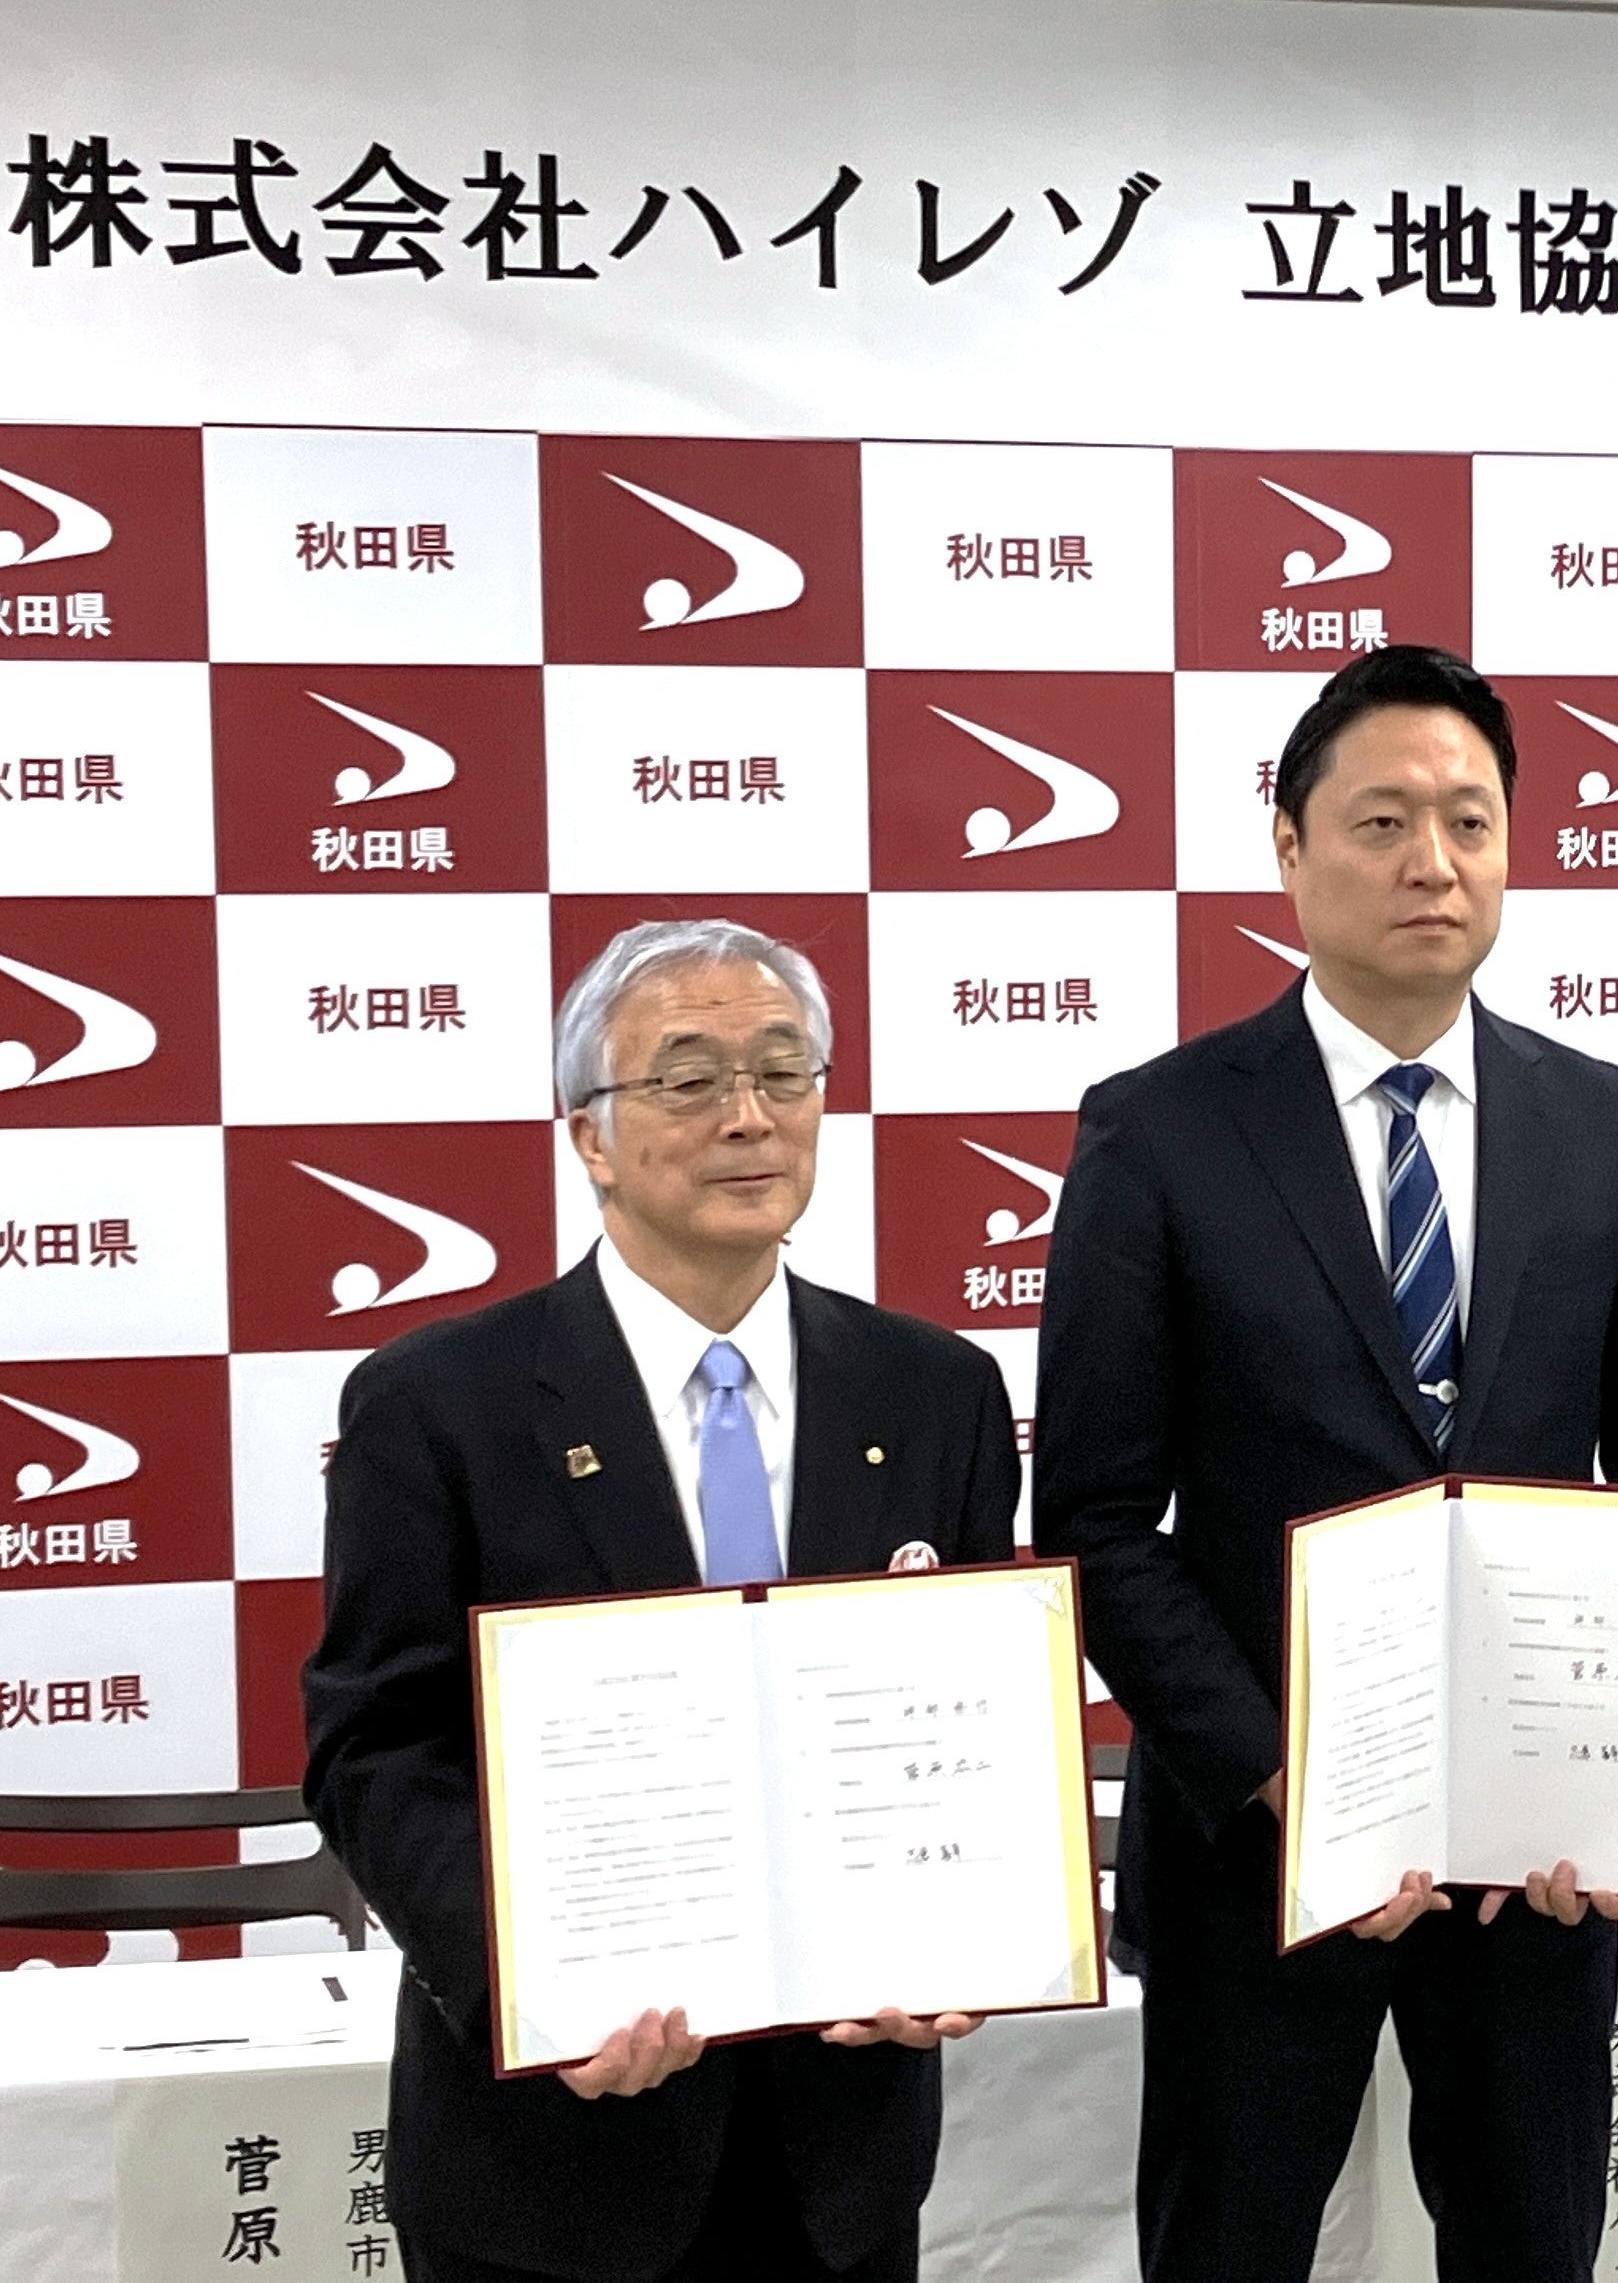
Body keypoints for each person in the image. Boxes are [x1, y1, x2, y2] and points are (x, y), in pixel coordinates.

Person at [1036, 643, 1618, 2283]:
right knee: (1228, 2244)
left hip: (1533, 1863)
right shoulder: (1158, 1128)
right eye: (1382, 821)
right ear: (1287, 843)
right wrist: (1280, 1776)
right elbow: (1094, 1519)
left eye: (1470, 821)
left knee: (1531, 2244)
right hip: (1259, 1847)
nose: (1434, 861)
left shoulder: (1602, 1120)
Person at [305, 919, 1022, 2283]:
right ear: (589, 1134)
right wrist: (531, 1993)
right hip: (552, 2163)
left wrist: (960, 1941)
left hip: (840, 2158)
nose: (749, 1117)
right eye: (689, 1079)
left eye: (784, 1071)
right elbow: (377, 1749)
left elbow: (967, 1724)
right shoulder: (437, 1404)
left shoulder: (937, 1392)